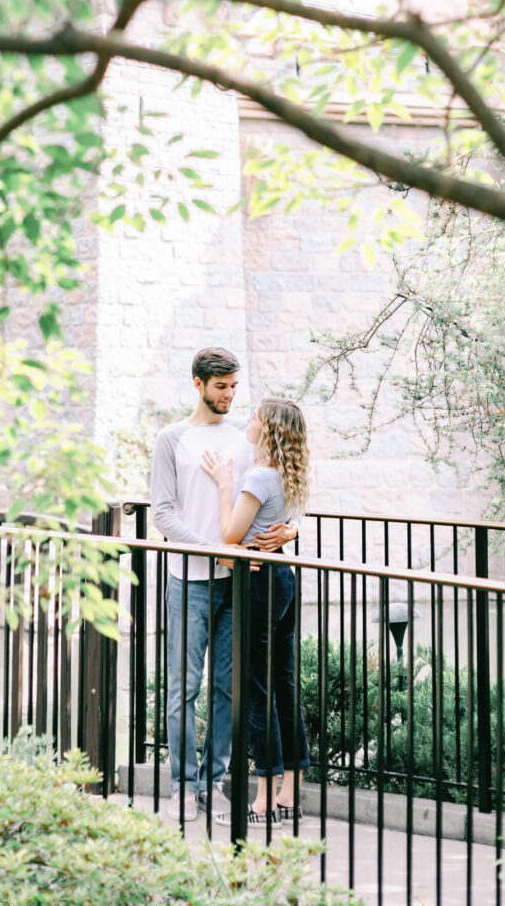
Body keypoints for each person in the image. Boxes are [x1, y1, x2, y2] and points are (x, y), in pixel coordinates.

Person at [151, 349, 297, 822]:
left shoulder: (245, 436)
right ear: (198, 384)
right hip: (189, 581)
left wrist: (294, 528)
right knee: (183, 689)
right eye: (221, 387)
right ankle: (181, 786)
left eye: (234, 386)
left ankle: (214, 784)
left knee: (227, 691)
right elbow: (162, 513)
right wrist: (210, 548)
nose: (230, 395)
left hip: (240, 585)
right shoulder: (172, 438)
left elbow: (282, 482)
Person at [200, 396, 311, 828]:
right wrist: (292, 528)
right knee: (283, 683)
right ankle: (290, 790)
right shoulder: (287, 475)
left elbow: (230, 534)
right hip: (283, 576)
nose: (248, 420)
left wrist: (228, 486)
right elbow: (280, 524)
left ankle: (264, 799)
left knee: (255, 690)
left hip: (260, 584)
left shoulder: (259, 478)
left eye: (256, 417)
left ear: (267, 430)